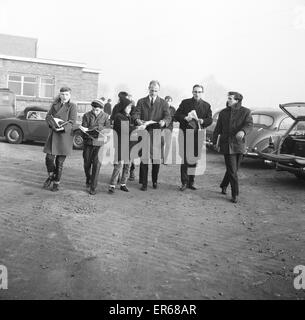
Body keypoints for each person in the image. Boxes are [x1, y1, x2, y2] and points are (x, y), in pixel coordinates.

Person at [212, 91, 253, 203]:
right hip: (227, 144)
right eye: (228, 98)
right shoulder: (223, 113)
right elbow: (218, 128)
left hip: (239, 145)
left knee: (233, 170)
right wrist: (214, 142)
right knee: (233, 171)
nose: (228, 100)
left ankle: (223, 185)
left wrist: (243, 131)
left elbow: (249, 125)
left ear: (237, 100)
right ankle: (235, 194)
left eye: (230, 98)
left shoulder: (246, 111)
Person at [132, 80, 171, 191]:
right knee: (144, 159)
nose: (153, 92)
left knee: (156, 159)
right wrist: (138, 120)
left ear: (158, 91)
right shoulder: (141, 101)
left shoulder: (163, 103)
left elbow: (168, 117)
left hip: (157, 133)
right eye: (151, 90)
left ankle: (154, 181)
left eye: (155, 91)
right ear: (148, 88)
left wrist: (164, 121)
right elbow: (135, 114)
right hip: (144, 132)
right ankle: (143, 183)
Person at [174, 84, 212, 191]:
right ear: (192, 92)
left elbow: (210, 119)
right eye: (195, 92)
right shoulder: (185, 102)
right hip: (185, 134)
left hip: (198, 135)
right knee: (185, 159)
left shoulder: (206, 105)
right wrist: (185, 118)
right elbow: (176, 115)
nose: (197, 94)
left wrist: (203, 121)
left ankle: (191, 181)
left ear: (202, 93)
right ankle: (184, 182)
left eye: (199, 92)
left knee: (194, 159)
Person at [43, 87, 77, 191]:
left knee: (59, 163)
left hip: (64, 136)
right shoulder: (55, 105)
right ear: (60, 95)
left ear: (70, 95)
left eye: (66, 94)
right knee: (49, 158)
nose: (64, 96)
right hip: (54, 134)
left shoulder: (72, 106)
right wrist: (52, 124)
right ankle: (51, 176)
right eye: (62, 94)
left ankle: (56, 184)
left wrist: (63, 128)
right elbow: (48, 117)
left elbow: (72, 122)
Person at [82, 99, 110, 195]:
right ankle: (88, 178)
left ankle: (93, 187)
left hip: (99, 145)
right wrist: (87, 131)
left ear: (101, 109)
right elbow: (83, 129)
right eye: (93, 109)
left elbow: (108, 129)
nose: (95, 111)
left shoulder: (106, 116)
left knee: (96, 166)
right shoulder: (86, 115)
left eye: (97, 110)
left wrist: (100, 129)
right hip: (88, 144)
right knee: (86, 164)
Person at [108, 97, 135, 193]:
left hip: (129, 144)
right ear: (123, 107)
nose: (130, 109)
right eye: (128, 107)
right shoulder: (119, 116)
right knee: (118, 165)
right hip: (120, 144)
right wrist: (137, 127)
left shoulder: (129, 116)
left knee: (127, 165)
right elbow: (126, 129)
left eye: (131, 107)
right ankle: (112, 185)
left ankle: (123, 183)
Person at [163, 96, 177, 164]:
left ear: (171, 102)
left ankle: (165, 159)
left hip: (169, 128)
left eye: (169, 101)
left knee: (168, 144)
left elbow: (175, 118)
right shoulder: (161, 108)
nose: (168, 102)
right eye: (167, 101)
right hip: (162, 128)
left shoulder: (173, 109)